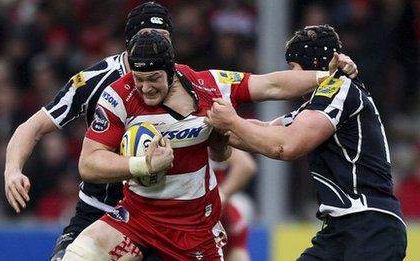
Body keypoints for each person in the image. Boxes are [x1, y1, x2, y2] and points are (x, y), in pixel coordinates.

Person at [63, 30, 358, 260]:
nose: (145, 87)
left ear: (171, 70)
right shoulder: (118, 96)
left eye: (153, 79)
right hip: (137, 217)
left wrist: (327, 76)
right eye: (139, 79)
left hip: (194, 231)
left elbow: (270, 85)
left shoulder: (208, 86)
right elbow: (89, 164)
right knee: (78, 254)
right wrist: (143, 165)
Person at [205, 25, 407, 260]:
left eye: (292, 68)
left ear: (311, 65)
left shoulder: (339, 89)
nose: (290, 77)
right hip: (341, 230)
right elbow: (266, 131)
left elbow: (286, 146)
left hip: (371, 225)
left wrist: (231, 121)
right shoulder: (317, 105)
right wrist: (213, 127)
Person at [3, 2, 174, 260]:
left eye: (163, 39)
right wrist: (12, 170)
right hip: (99, 210)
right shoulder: (95, 80)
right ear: (128, 42)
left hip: (158, 215)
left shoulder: (183, 83)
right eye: (145, 37)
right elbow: (33, 126)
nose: (154, 45)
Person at [212, 148, 256, 261]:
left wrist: (223, 194)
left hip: (214, 214)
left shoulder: (202, 134)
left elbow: (246, 165)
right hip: (178, 217)